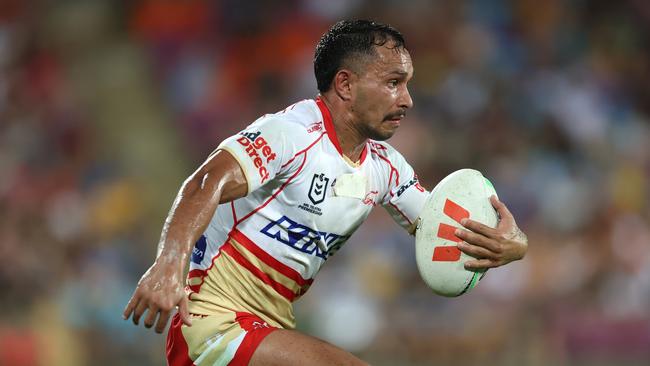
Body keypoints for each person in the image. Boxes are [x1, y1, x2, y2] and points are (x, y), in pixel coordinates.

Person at [123, 19, 528, 365]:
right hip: (211, 325)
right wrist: (168, 263)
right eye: (392, 82)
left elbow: (446, 232)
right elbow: (204, 182)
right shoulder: (290, 134)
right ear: (346, 84)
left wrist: (513, 246)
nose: (406, 99)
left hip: (268, 329)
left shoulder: (385, 167)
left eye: (407, 85)